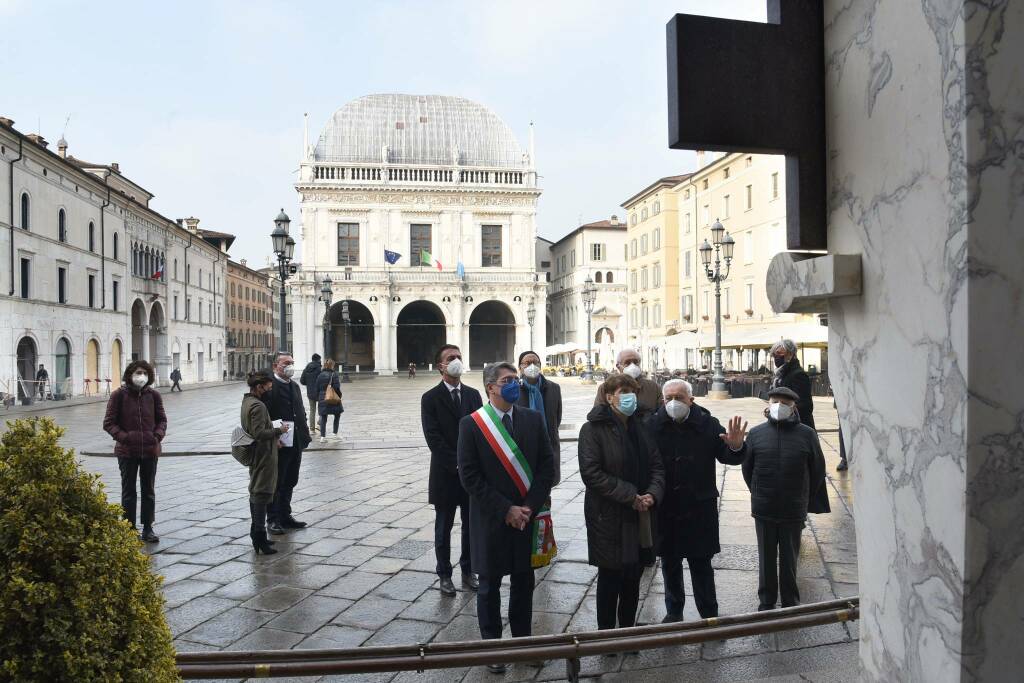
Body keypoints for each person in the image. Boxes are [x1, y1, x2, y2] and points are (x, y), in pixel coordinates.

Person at [458, 361, 555, 673]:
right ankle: (493, 649)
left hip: (526, 517)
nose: (515, 383)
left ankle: (521, 644)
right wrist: (506, 509)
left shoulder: (533, 418)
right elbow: (470, 478)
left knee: (524, 583)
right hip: (490, 519)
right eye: (508, 380)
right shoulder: (472, 425)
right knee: (489, 586)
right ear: (491, 387)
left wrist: (528, 506)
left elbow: (545, 466)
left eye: (516, 379)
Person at [645, 379, 747, 622]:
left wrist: (736, 447)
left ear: (691, 400)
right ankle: (674, 611)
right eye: (668, 398)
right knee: (669, 563)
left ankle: (709, 614)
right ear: (662, 400)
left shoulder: (707, 424)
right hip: (666, 507)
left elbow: (727, 456)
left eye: (679, 397)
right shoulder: (651, 426)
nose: (673, 402)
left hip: (699, 506)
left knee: (701, 564)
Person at [579, 374, 665, 633]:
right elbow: (591, 473)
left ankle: (628, 630)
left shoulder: (642, 426)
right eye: (624, 391)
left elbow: (656, 466)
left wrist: (652, 493)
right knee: (611, 574)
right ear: (609, 397)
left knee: (634, 574)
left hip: (641, 513)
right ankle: (606, 632)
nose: (630, 396)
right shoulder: (592, 429)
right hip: (608, 514)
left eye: (634, 391)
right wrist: (631, 496)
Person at [742, 386, 829, 610]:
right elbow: (747, 469)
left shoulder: (807, 434)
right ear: (768, 405)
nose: (778, 406)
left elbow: (818, 470)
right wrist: (758, 491)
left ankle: (790, 601)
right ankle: (766, 600)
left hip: (793, 507)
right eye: (774, 401)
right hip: (764, 506)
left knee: (790, 558)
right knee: (766, 557)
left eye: (784, 402)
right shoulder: (756, 434)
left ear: (793, 408)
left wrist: (803, 494)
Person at [421, 344, 483, 596]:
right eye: (451, 358)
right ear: (441, 366)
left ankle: (469, 571)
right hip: (445, 474)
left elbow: (481, 431)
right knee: (443, 527)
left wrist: (471, 465)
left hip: (471, 475)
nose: (457, 360)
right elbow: (433, 438)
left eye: (459, 356)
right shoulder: (430, 398)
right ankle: (444, 574)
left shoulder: (473, 395)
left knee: (471, 526)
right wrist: (457, 463)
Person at [102, 360, 166, 543]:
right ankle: (129, 528)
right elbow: (108, 423)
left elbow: (162, 420)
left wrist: (157, 436)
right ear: (130, 374)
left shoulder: (153, 396)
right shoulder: (118, 396)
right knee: (128, 491)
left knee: (148, 491)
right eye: (138, 373)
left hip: (150, 450)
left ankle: (148, 528)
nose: (141, 377)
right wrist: (125, 437)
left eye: (145, 373)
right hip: (127, 451)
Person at [262, 352, 313, 535]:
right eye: (286, 363)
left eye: (292, 362)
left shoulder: (295, 386)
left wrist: (305, 433)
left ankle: (286, 515)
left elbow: (300, 411)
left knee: (291, 480)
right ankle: (273, 519)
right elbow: (265, 415)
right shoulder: (270, 387)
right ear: (276, 366)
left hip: (296, 440)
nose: (290, 366)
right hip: (279, 443)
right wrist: (274, 437)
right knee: (277, 482)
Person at [241, 371, 289, 555]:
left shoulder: (247, 402)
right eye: (268, 387)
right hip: (263, 455)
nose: (270, 390)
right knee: (261, 493)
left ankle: (257, 533)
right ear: (259, 387)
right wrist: (279, 429)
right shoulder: (258, 406)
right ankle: (259, 536)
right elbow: (259, 433)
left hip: (258, 454)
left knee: (256, 491)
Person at [516, 350, 563, 485]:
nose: (532, 366)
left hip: (548, 446)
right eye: (527, 363)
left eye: (535, 362)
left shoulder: (554, 388)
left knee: (546, 488)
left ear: (540, 365)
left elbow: (557, 418)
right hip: (522, 448)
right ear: (520, 367)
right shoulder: (514, 389)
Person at [594, 349, 662, 419]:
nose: (632, 366)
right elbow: (598, 413)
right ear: (618, 366)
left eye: (636, 362)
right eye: (627, 363)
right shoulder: (607, 387)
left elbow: (661, 414)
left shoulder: (653, 387)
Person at [769, 340, 815, 430]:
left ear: (790, 354)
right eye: (774, 355)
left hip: (798, 427)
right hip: (783, 425)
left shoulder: (798, 374)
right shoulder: (781, 374)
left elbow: (806, 406)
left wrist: (785, 410)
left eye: (780, 353)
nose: (776, 357)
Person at [316, 359, 343, 444]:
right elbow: (336, 387)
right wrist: (339, 396)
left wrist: (320, 397)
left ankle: (322, 437)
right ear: (332, 365)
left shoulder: (320, 375)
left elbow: (317, 387)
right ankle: (335, 434)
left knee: (324, 417)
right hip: (333, 397)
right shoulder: (334, 374)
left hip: (322, 397)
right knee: (337, 415)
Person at [300, 353, 322, 435]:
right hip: (319, 392)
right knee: (322, 409)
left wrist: (309, 384)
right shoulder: (319, 369)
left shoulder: (306, 368)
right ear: (318, 359)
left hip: (310, 392)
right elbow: (321, 380)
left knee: (312, 410)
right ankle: (319, 424)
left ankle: (312, 429)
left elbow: (302, 381)